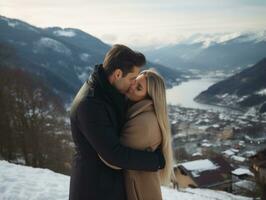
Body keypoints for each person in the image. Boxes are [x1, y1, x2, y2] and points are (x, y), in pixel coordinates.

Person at [69, 44, 165, 200]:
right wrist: (155, 161)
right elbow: (113, 154)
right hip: (93, 189)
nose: (133, 84)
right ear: (118, 74)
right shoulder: (90, 104)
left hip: (108, 186)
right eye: (132, 79)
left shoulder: (108, 91)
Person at [100, 70, 175, 200]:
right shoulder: (137, 112)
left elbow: (114, 158)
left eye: (139, 88)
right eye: (135, 81)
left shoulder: (143, 123)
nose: (132, 86)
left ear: (149, 97)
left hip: (138, 193)